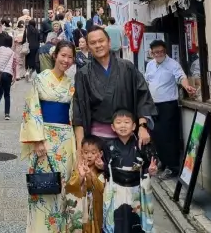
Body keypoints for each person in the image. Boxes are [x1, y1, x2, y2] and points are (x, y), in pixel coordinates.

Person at [21, 40, 77, 232]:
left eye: (70, 57)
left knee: (62, 186)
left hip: (65, 140)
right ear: (55, 55)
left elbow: (73, 113)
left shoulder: (71, 83)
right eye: (63, 55)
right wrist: (37, 140)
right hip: (44, 137)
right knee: (44, 185)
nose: (66, 60)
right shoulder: (41, 78)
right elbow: (32, 109)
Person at [73, 26, 157, 155]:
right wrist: (80, 148)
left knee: (128, 173)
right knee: (100, 174)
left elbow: (142, 96)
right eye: (93, 43)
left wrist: (142, 126)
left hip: (127, 135)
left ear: (109, 42)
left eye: (101, 41)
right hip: (97, 140)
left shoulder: (127, 67)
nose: (98, 45)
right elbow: (79, 111)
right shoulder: (83, 74)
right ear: (88, 47)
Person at [144, 39, 197, 178]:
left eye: (161, 51)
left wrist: (187, 87)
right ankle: (163, 161)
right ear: (152, 53)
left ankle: (173, 167)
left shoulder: (173, 64)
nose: (159, 54)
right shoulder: (150, 65)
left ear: (165, 51)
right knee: (156, 135)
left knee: (169, 137)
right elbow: (147, 81)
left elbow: (181, 77)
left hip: (168, 105)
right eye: (156, 52)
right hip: (153, 105)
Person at [102, 110, 158, 232]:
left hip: (136, 189)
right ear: (113, 127)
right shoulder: (108, 145)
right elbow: (106, 169)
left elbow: (149, 165)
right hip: (117, 189)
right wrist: (102, 166)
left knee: (135, 221)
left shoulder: (141, 145)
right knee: (117, 220)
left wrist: (150, 170)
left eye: (127, 122)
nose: (123, 126)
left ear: (133, 126)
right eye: (119, 122)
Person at [65, 136, 105, 233]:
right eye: (86, 153)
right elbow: (70, 187)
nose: (89, 156)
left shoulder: (101, 172)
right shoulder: (78, 169)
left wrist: (90, 174)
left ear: (100, 154)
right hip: (81, 209)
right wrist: (81, 177)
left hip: (95, 211)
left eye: (93, 153)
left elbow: (101, 189)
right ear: (82, 153)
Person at [0, 35, 17, 121]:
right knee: (7, 94)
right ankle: (7, 114)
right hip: (7, 74)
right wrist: (14, 76)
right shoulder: (12, 53)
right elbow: (14, 66)